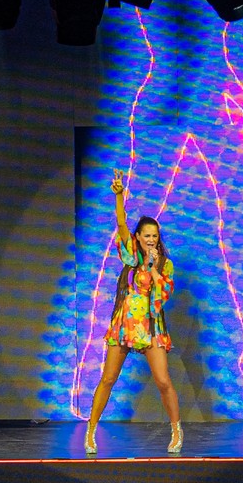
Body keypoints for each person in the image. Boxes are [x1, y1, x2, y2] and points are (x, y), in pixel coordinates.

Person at [85, 169, 182, 454]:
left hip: (151, 327)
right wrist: (119, 196)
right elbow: (121, 223)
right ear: (138, 237)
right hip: (125, 325)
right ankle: (90, 431)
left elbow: (163, 294)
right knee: (108, 378)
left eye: (155, 235)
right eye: (147, 235)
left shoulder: (164, 264)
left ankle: (177, 430)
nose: (151, 239)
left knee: (163, 380)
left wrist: (153, 267)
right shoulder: (130, 256)